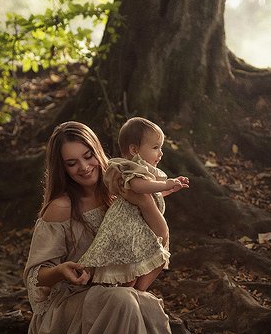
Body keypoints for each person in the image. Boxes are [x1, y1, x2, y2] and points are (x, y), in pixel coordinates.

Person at [23, 121, 208, 334]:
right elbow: (36, 273)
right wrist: (62, 270)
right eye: (71, 162)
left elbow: (156, 241)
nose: (84, 167)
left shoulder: (121, 191)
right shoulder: (61, 207)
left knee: (147, 303)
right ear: (61, 168)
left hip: (115, 292)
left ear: (98, 151)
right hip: (68, 307)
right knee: (124, 301)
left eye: (88, 155)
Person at [79, 116, 189, 291]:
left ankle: (138, 293)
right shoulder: (130, 168)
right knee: (130, 270)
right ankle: (128, 294)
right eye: (155, 147)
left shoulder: (144, 171)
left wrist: (169, 190)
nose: (160, 153)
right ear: (134, 149)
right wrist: (167, 183)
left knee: (154, 259)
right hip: (127, 228)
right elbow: (138, 186)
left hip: (138, 227)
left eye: (160, 148)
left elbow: (150, 194)